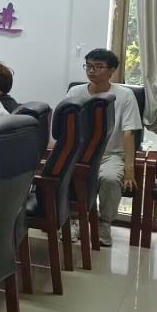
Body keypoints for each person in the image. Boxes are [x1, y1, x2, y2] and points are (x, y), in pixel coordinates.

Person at [65, 49, 142, 247]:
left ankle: (104, 223)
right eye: (89, 66)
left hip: (111, 154)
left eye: (98, 67)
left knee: (109, 179)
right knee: (65, 174)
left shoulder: (125, 95)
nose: (92, 71)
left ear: (112, 71)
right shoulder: (75, 93)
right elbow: (66, 126)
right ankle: (72, 220)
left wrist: (129, 170)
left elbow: (129, 133)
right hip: (79, 153)